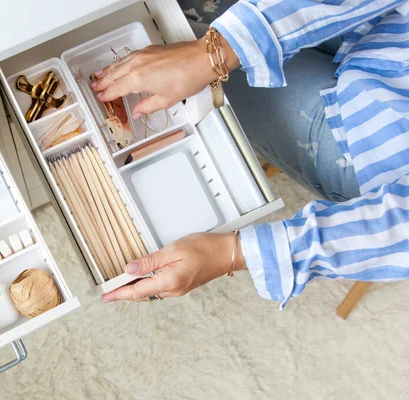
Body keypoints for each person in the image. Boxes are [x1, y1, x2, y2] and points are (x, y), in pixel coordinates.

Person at [94, 0, 409, 307]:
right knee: (178, 18)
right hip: (393, 25)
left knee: (184, 50)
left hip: (380, 145)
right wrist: (216, 49)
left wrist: (231, 252)